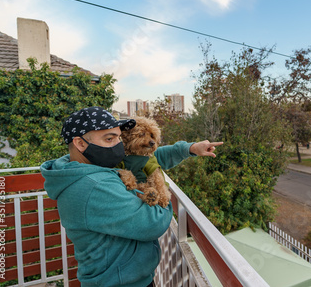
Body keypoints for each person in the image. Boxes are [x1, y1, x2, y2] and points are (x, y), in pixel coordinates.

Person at [40, 106, 223, 287]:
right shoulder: (95, 186)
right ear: (80, 144)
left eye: (119, 138)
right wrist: (161, 187)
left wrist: (189, 148)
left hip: (121, 278)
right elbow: (153, 223)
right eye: (109, 139)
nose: (118, 145)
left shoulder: (87, 167)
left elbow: (146, 157)